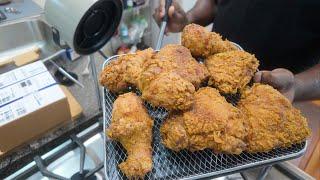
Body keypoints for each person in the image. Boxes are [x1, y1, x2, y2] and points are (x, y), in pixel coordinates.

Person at [154, 0, 320, 102]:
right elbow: (214, 3)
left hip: (277, 97)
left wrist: (296, 86)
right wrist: (188, 18)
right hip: (207, 79)